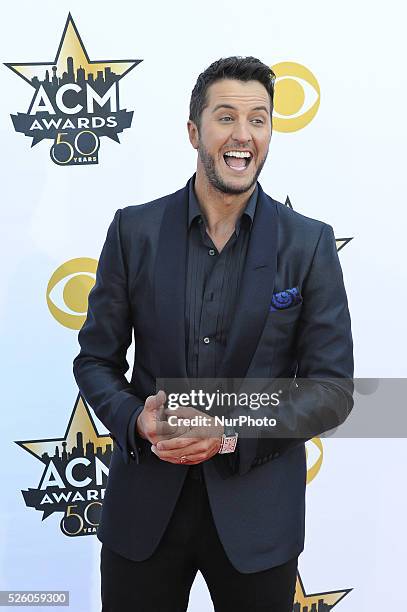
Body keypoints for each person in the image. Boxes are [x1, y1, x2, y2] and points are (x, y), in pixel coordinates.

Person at [73, 56, 354, 612]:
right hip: (143, 514)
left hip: (258, 522)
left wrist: (228, 429)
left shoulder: (309, 244)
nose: (243, 135)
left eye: (259, 119)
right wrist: (136, 420)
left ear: (271, 132)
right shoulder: (134, 231)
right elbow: (96, 362)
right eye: (226, 117)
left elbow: (331, 389)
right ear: (195, 131)